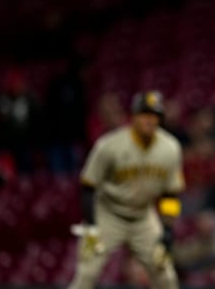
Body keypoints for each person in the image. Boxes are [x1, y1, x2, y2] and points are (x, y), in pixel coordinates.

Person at [67, 90, 184, 289]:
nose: (149, 120)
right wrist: (92, 225)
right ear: (133, 117)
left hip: (143, 216)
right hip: (108, 214)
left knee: (166, 276)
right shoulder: (110, 145)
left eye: (154, 116)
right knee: (87, 273)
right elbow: (88, 187)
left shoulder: (170, 148)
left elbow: (170, 194)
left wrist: (167, 230)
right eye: (144, 114)